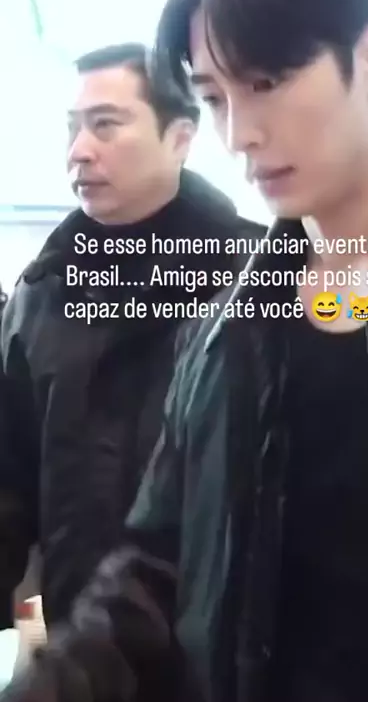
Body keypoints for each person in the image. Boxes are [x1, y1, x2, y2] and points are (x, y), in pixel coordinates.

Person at [3, 0, 368, 702]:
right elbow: (154, 573)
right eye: (213, 97)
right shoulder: (230, 328)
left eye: (266, 83)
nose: (240, 133)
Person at [0, 41, 264, 633]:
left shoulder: (256, 283)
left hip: (217, 652)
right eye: (72, 128)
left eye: (105, 125)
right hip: (82, 651)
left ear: (180, 137)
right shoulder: (41, 294)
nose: (79, 151)